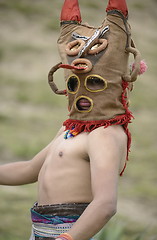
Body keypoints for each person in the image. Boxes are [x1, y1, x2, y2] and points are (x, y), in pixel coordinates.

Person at [0, 1, 146, 240]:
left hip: (67, 234)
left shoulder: (105, 134)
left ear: (119, 85)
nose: (84, 93)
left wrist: (66, 239)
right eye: (74, 83)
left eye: (96, 82)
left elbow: (105, 204)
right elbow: (28, 169)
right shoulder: (70, 129)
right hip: (39, 231)